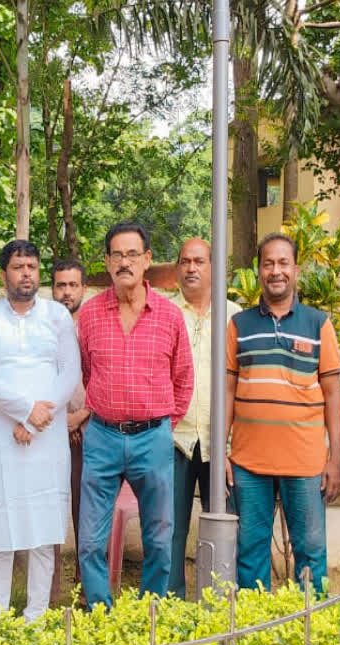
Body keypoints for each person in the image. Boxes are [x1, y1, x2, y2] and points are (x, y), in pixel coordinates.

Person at [76, 222, 193, 607]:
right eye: (116, 255)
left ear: (146, 261)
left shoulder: (170, 316)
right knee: (91, 539)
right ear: (107, 262)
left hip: (153, 438)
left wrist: (159, 427)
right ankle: (100, 616)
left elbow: (183, 379)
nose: (124, 262)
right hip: (102, 437)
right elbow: (88, 371)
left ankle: (148, 616)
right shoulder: (90, 314)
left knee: (160, 536)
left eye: (132, 255)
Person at [0, 240, 80, 622]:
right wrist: (25, 410)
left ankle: (36, 615)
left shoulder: (57, 317)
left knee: (43, 529)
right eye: (18, 267)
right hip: (1, 440)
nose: (26, 273)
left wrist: (33, 420)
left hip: (46, 440)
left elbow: (69, 373)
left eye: (32, 266)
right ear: (4, 275)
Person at [225, 233, 340, 595]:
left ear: (296, 269)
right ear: (258, 270)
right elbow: (229, 390)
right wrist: (223, 453)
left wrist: (335, 458)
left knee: (310, 553)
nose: (275, 271)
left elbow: (333, 394)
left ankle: (310, 633)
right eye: (268, 264)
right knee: (249, 554)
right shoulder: (239, 326)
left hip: (305, 464)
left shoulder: (318, 324)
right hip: (248, 463)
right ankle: (253, 631)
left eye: (283, 263)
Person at [166, 238, 241, 599]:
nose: (191, 268)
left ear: (214, 267)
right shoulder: (163, 313)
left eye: (199, 261)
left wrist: (230, 443)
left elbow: (242, 382)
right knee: (170, 530)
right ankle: (170, 608)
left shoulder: (234, 317)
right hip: (174, 438)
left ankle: (218, 604)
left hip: (219, 444)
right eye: (184, 261)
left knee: (224, 526)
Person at [50, 258, 90, 593]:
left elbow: (104, 377)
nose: (66, 292)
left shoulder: (93, 323)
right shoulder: (44, 325)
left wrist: (79, 416)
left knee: (84, 506)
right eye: (61, 285)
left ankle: (82, 584)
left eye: (72, 285)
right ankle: (48, 587)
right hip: (50, 429)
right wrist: (61, 418)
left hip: (89, 431)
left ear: (83, 289)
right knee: (50, 506)